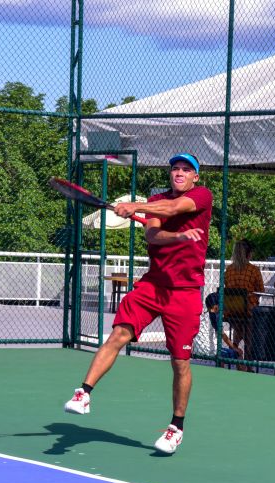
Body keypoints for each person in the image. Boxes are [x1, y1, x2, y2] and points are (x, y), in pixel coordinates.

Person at [64, 153, 212, 455]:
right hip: (152, 285)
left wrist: (135, 206)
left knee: (180, 362)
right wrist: (180, 236)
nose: (179, 173)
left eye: (186, 170)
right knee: (118, 334)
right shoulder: (157, 198)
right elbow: (153, 235)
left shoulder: (201, 196)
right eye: (175, 169)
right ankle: (84, 393)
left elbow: (173, 208)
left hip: (184, 292)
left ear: (195, 177)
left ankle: (176, 428)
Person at [223, 239, 264, 354]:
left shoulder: (229, 270)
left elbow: (227, 287)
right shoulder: (254, 270)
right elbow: (261, 290)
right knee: (249, 331)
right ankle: (248, 361)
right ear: (249, 253)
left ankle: (234, 349)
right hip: (248, 310)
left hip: (231, 309)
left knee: (239, 327)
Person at [193, 292, 243, 361]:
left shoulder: (201, 314)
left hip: (197, 351)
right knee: (236, 353)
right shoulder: (214, 315)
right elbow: (222, 334)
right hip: (213, 351)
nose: (214, 311)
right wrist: (234, 348)